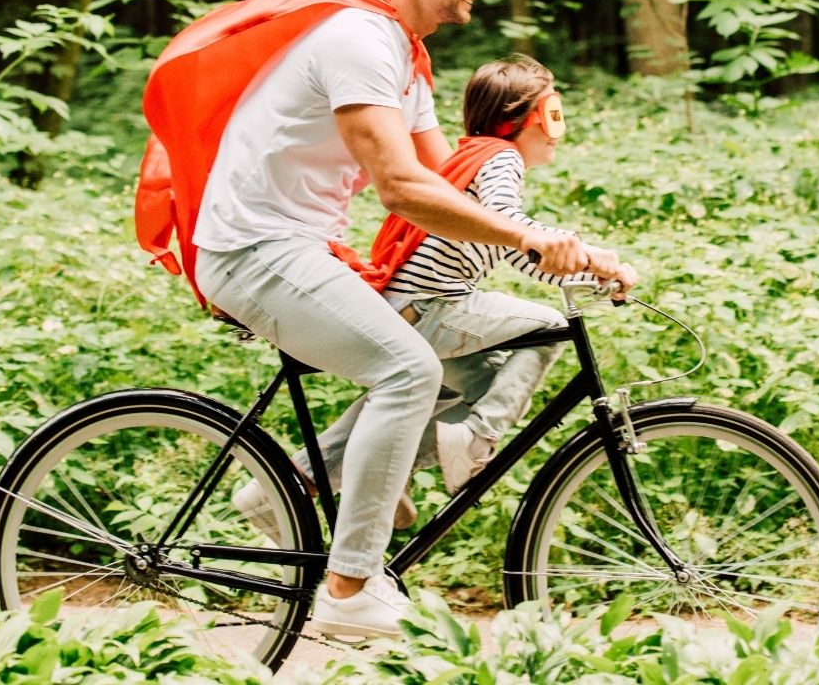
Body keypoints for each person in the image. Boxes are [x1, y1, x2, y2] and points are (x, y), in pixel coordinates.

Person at [139, 0, 631, 641]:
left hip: (295, 248)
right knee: (409, 370)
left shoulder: (404, 57)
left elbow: (448, 181)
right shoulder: (359, 38)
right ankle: (348, 587)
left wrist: (573, 252)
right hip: (252, 249)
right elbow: (403, 190)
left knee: (442, 364)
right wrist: (530, 242)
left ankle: (312, 497)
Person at [255, 55, 638, 525]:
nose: (559, 130)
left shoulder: (473, 159)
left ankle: (305, 482)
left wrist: (589, 276)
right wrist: (584, 250)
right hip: (434, 304)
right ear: (523, 119)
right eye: (554, 114)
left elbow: (520, 252)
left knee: (466, 387)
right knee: (553, 329)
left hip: (416, 307)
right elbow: (512, 225)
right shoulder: (501, 158)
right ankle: (476, 437)